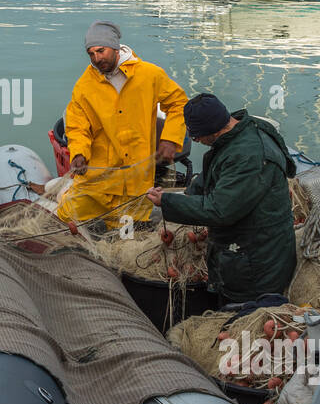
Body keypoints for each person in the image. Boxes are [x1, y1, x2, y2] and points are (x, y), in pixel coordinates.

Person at [146, 93, 296, 305]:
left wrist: (168, 202)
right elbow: (214, 176)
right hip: (242, 250)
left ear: (212, 130)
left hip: (258, 260)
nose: (196, 140)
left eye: (196, 136)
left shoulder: (248, 156)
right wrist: (187, 195)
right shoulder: (236, 134)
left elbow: (220, 210)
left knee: (245, 314)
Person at [59, 21, 188, 225]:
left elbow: (179, 104)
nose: (97, 58)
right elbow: (77, 126)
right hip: (99, 178)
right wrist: (79, 153)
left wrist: (170, 139)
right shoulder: (84, 86)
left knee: (129, 231)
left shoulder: (149, 74)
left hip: (136, 177)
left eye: (101, 51)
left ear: (115, 47)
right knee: (66, 217)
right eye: (91, 53)